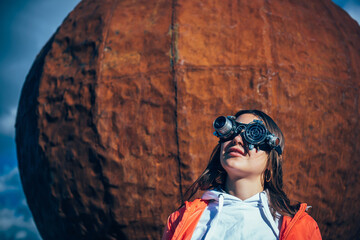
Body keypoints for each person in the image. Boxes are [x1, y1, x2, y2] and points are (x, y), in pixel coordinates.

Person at [162, 109, 322, 240]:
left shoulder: (301, 227)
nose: (237, 139)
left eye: (254, 133)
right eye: (232, 132)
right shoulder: (180, 221)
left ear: (271, 164)